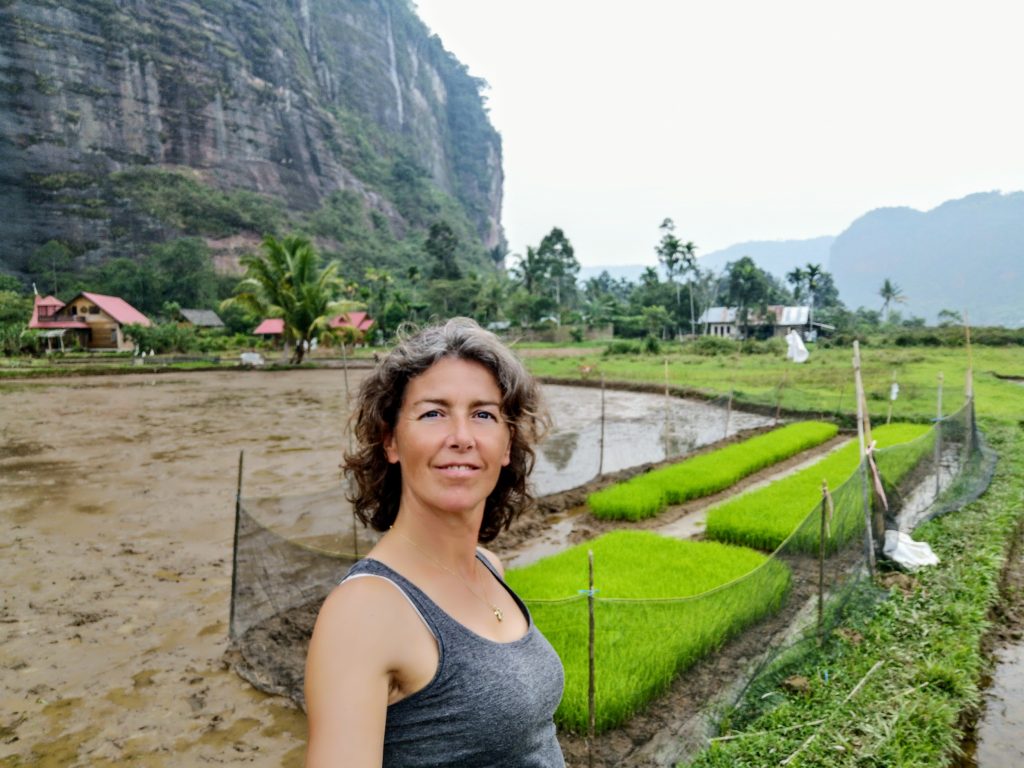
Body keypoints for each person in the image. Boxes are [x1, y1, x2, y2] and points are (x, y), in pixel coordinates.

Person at [305, 318, 565, 767]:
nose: (461, 438)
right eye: (433, 413)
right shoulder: (365, 612)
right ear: (391, 441)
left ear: (506, 445)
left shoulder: (488, 566)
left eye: (483, 414)